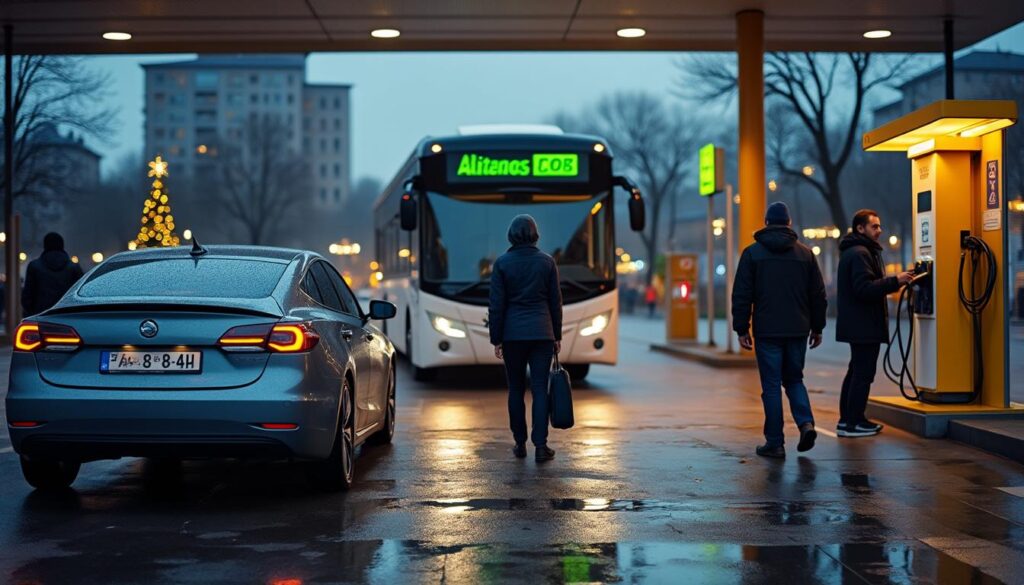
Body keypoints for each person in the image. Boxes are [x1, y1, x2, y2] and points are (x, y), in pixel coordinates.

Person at [732, 202, 827, 459]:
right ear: (789, 223)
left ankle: (774, 443)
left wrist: (742, 327)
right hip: (797, 329)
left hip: (767, 330)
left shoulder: (752, 254)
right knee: (794, 379)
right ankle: (806, 423)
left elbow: (742, 293)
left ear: (765, 222)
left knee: (772, 385)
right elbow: (818, 295)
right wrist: (817, 327)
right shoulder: (805, 254)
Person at [489, 215, 563, 462]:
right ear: (535, 235)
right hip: (542, 333)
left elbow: (496, 306)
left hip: (512, 335)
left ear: (511, 235)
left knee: (516, 390)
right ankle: (541, 446)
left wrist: (496, 338)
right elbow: (555, 302)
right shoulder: (547, 262)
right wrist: (557, 335)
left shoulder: (502, 264)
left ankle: (519, 443)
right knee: (541, 389)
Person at [836, 209, 914, 438]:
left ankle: (848, 420)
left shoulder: (855, 251)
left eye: (879, 226)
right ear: (860, 228)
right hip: (864, 324)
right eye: (874, 227)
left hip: (858, 324)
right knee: (863, 373)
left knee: (855, 371)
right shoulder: (861, 253)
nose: (879, 231)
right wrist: (895, 281)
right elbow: (864, 288)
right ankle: (854, 423)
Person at [22, 232, 84, 317]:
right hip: (67, 315)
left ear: (45, 246)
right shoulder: (74, 267)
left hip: (41, 315)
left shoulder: (34, 266)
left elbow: (27, 297)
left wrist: (32, 312)